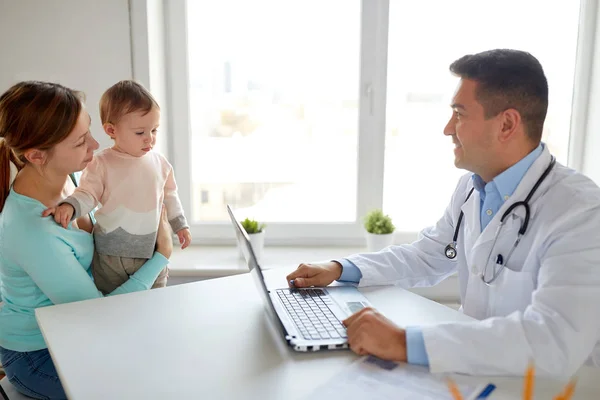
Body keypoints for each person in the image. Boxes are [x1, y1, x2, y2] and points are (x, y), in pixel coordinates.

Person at [287, 49, 600, 377]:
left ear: (507, 124)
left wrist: (404, 342)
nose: (448, 129)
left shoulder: (581, 214)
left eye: (460, 114)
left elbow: (552, 340)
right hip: (475, 375)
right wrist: (340, 268)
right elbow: (425, 256)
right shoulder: (471, 187)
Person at [0, 81, 173, 399]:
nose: (96, 146)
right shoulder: (33, 229)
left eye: (90, 131)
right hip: (38, 355)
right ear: (37, 155)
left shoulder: (74, 178)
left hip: (73, 330)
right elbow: (94, 312)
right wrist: (162, 254)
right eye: (81, 142)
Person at [43, 80, 191, 293]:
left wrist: (180, 225)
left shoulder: (160, 163)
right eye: (140, 132)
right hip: (109, 254)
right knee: (112, 305)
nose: (149, 138)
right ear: (111, 130)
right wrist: (70, 207)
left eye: (154, 130)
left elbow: (170, 197)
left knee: (156, 301)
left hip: (150, 250)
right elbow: (87, 194)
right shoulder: (101, 163)